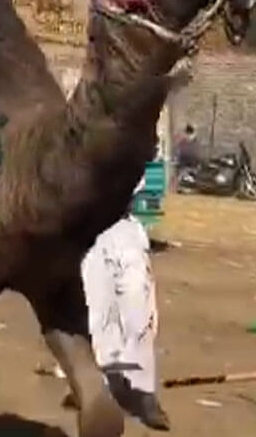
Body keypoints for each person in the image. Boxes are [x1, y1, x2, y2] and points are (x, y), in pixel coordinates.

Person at [75, 178, 170, 431]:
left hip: (125, 228)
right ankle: (101, 389)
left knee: (139, 309)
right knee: (98, 314)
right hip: (91, 230)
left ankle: (142, 391)